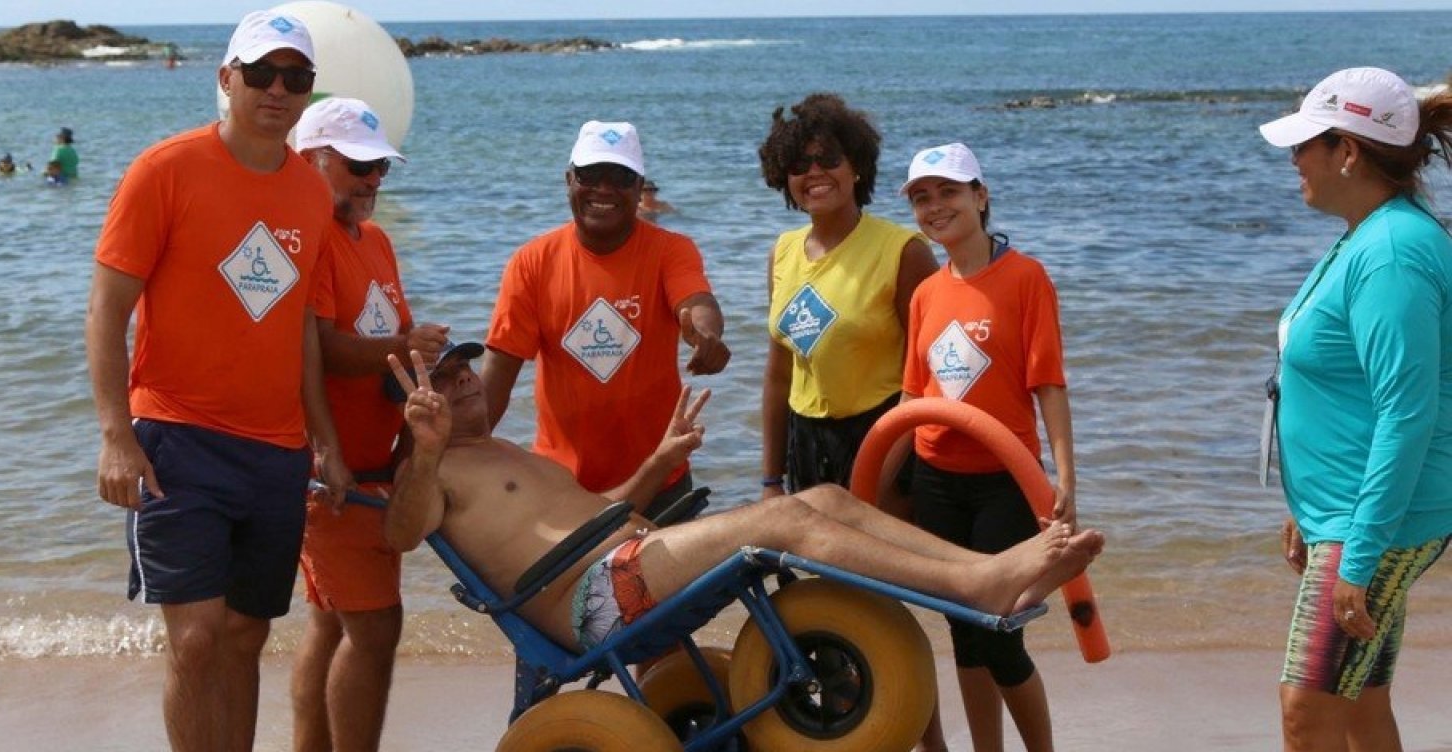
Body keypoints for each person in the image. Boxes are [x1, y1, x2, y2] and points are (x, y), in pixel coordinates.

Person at [382, 345, 1104, 657]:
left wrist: (656, 465)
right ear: (416, 407)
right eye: (442, 380)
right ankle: (981, 584)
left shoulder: (505, 453)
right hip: (598, 599)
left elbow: (589, 509)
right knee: (786, 519)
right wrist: (425, 446)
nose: (467, 381)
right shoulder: (434, 466)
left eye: (465, 368)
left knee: (821, 493)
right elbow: (402, 534)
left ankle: (991, 572)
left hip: (628, 558)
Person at [83, 11, 349, 752]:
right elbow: (107, 308)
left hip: (274, 450)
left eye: (295, 78)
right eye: (260, 73)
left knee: (244, 636)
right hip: (176, 435)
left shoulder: (310, 194)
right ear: (225, 78)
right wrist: (115, 435)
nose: (277, 90)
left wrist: (323, 440)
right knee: (197, 638)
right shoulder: (164, 169)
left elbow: (298, 325)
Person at [1258, 67, 1452, 751]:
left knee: (1305, 712)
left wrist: (1357, 556)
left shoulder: (1394, 251)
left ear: (1347, 151)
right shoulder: (1366, 234)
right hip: (1347, 512)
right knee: (1362, 702)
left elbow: (1407, 413)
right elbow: (1345, 394)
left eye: (1305, 144)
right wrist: (1305, 507)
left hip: (1377, 525)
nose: (1293, 160)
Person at [897, 142, 1075, 752]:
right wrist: (865, 485)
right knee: (963, 633)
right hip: (935, 479)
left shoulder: (1025, 276)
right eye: (922, 197)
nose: (935, 206)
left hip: (1006, 479)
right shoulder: (926, 292)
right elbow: (911, 397)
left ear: (980, 195)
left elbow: (1047, 381)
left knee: (999, 633)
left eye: (948, 191)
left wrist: (1064, 478)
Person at [289, 96, 447, 752]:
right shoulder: (314, 238)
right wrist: (408, 348)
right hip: (331, 470)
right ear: (310, 160)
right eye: (358, 165)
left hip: (371, 465)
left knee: (330, 623)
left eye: (381, 167)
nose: (373, 179)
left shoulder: (375, 240)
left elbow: (385, 339)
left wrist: (424, 355)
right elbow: (320, 347)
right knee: (374, 630)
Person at [482, 120, 730, 520]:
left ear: (639, 187)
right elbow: (498, 373)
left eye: (620, 176)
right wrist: (459, 453)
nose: (603, 188)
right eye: (590, 175)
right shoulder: (531, 262)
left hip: (661, 481)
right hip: (561, 486)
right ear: (569, 179)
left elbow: (698, 302)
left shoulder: (671, 250)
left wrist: (706, 335)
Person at [755, 93, 938, 502]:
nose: (815, 172)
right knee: (815, 566)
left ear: (856, 166)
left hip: (885, 435)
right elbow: (779, 374)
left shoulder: (904, 251)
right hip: (805, 444)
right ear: (784, 177)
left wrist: (880, 470)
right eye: (800, 165)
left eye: (829, 159)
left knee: (887, 565)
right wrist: (771, 480)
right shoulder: (781, 252)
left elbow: (931, 376)